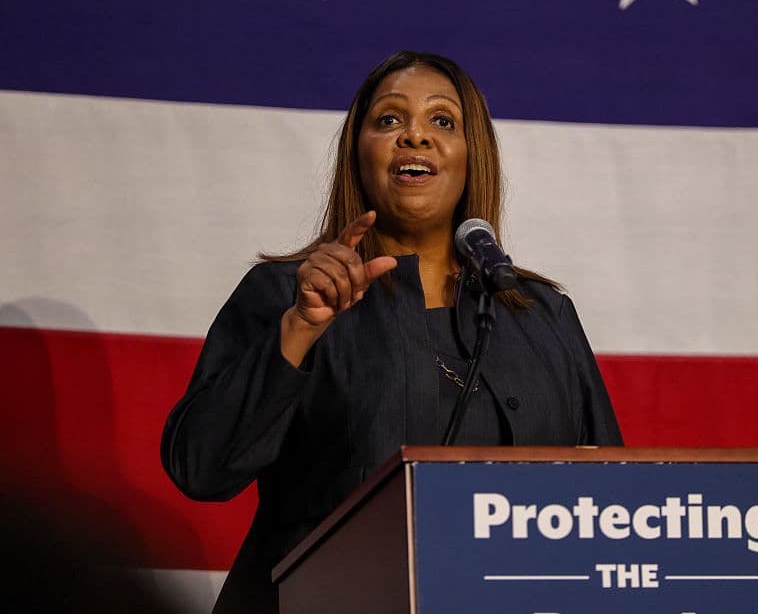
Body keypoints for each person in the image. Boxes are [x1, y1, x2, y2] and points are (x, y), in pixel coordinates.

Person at [160, 51, 622, 613]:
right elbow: (201, 469)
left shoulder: (542, 313)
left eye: (442, 122)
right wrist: (301, 329)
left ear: (472, 156)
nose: (416, 137)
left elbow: (611, 507)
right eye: (389, 120)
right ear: (359, 153)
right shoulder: (289, 295)